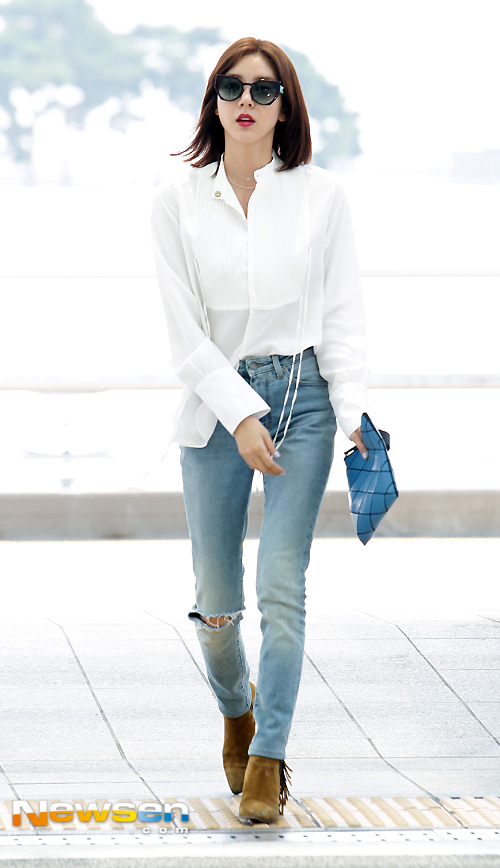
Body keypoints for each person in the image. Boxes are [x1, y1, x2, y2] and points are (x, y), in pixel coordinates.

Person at [150, 36, 372, 825]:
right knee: (217, 608)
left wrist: (354, 415)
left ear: (286, 106)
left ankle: (268, 760)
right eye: (231, 87)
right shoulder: (176, 200)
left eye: (264, 89)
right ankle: (237, 713)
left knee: (282, 584)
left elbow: (341, 317)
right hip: (215, 405)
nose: (246, 100)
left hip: (304, 399)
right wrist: (240, 412)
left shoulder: (322, 196)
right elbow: (183, 336)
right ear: (213, 101)